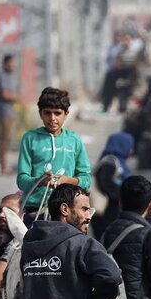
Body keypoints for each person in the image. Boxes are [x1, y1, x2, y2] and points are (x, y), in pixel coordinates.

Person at [16, 88, 92, 216]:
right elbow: (22, 180)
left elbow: (86, 179)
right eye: (47, 113)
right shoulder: (30, 138)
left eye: (57, 113)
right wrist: (40, 181)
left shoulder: (73, 140)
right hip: (35, 210)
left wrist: (68, 180)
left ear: (66, 114)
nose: (52, 118)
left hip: (66, 211)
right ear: (40, 113)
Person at [90, 132, 135, 238]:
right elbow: (106, 184)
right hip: (106, 212)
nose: (131, 149)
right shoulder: (110, 162)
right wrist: (121, 195)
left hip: (110, 212)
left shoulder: (116, 161)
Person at [0, 54, 20, 174]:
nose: (12, 65)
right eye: (10, 63)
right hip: (4, 111)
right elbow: (5, 94)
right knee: (5, 138)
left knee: (8, 137)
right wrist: (15, 97)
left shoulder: (11, 76)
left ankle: (4, 164)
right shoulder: (3, 75)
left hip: (10, 111)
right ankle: (3, 165)